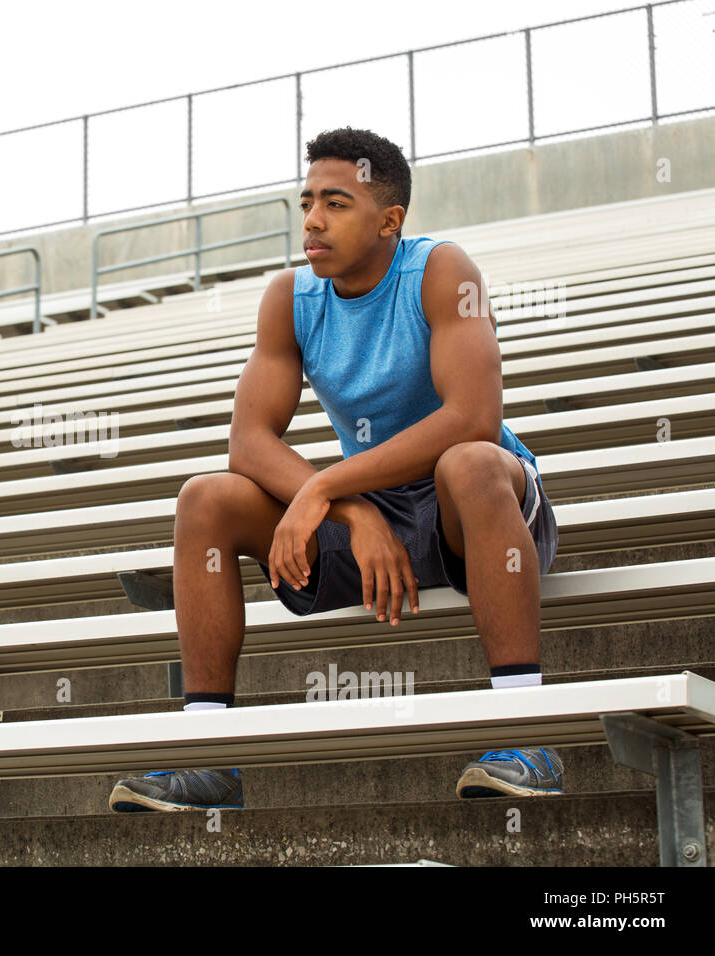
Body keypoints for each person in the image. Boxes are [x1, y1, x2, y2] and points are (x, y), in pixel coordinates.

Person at [109, 126, 562, 813]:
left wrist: (325, 485)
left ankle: (527, 736)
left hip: (474, 510)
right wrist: (350, 509)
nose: (313, 220)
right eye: (306, 202)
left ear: (390, 220)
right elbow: (248, 441)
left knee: (470, 462)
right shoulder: (289, 298)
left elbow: (471, 416)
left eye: (337, 203)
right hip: (371, 508)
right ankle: (208, 758)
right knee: (207, 498)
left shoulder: (443, 271)